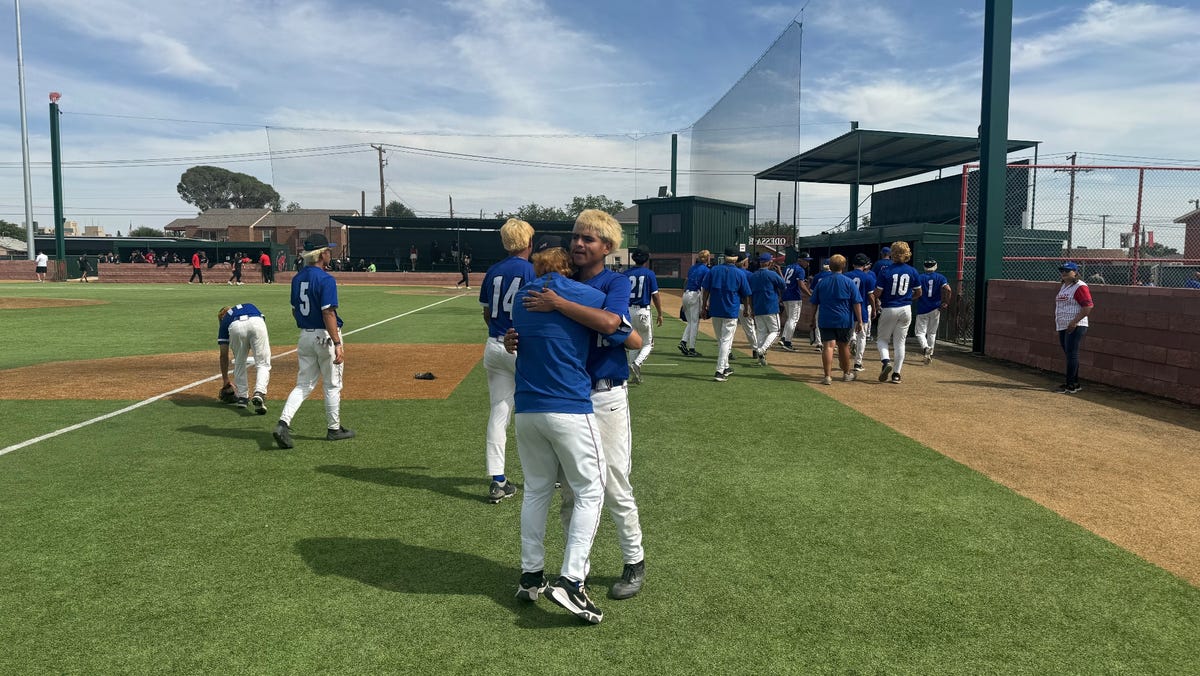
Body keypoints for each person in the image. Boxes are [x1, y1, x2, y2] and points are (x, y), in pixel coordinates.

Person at [509, 208, 648, 603]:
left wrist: (559, 304)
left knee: (614, 482)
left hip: (604, 393)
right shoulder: (561, 283)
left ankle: (633, 560)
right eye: (577, 237)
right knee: (570, 491)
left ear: (608, 246)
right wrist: (516, 340)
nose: (579, 244)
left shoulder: (613, 282)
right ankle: (576, 573)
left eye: (589, 239)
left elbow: (612, 324)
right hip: (568, 397)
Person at [510, 235, 615, 625]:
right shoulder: (581, 292)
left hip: (527, 409)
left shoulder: (522, 298)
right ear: (566, 266)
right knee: (590, 491)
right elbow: (610, 320)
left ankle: (531, 574)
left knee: (537, 491)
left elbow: (519, 333)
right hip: (568, 406)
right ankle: (572, 581)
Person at [272, 233, 355, 449]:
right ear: (321, 254)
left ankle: (283, 423)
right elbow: (328, 312)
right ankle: (333, 429)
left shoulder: (297, 278)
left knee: (303, 385)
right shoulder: (326, 279)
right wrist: (337, 343)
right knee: (332, 384)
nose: (330, 254)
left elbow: (294, 310)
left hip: (305, 336)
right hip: (325, 336)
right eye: (328, 251)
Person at [479, 218, 536, 503]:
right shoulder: (532, 270)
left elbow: (487, 313)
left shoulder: (494, 270)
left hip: (494, 345)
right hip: (522, 347)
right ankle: (548, 474)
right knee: (539, 410)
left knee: (499, 413)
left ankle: (498, 480)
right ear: (528, 242)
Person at [809, 254, 864, 385]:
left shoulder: (822, 283)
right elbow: (856, 303)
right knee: (844, 346)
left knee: (828, 346)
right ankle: (846, 373)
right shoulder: (849, 282)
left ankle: (827, 376)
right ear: (843, 266)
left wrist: (812, 319)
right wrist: (860, 321)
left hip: (826, 318)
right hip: (844, 319)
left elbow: (814, 303)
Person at [872, 242, 921, 384]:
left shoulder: (886, 270)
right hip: (906, 308)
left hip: (889, 307)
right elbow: (919, 292)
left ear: (892, 253)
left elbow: (878, 292)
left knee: (882, 339)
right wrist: (907, 298)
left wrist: (876, 297)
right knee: (900, 342)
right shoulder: (912, 271)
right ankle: (896, 374)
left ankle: (886, 362)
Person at [702, 246, 752, 382]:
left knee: (721, 340)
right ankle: (719, 371)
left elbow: (705, 289)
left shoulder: (714, 270)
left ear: (724, 257)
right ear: (736, 259)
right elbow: (746, 294)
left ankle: (726, 367)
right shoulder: (740, 273)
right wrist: (747, 309)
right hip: (730, 310)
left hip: (716, 309)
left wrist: (703, 306)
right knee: (725, 341)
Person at [217, 303, 271, 414]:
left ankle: (242, 397)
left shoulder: (225, 321)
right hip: (257, 322)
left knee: (239, 362)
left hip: (236, 327)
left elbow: (223, 355)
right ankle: (259, 392)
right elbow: (261, 320)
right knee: (262, 363)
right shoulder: (249, 306)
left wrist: (225, 380)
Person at [1054, 262, 1093, 394]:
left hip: (1075, 324)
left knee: (1072, 354)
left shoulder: (1079, 286)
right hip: (1063, 324)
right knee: (1069, 354)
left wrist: (1074, 322)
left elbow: (1087, 307)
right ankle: (1075, 383)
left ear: (1075, 272)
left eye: (1067, 270)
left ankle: (1070, 384)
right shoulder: (1065, 286)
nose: (1064, 272)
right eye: (1062, 270)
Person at [625, 246, 662, 384]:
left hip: (628, 310)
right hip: (643, 310)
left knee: (634, 342)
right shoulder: (649, 273)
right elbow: (655, 296)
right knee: (648, 344)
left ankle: (634, 372)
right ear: (646, 259)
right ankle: (637, 363)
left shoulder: (626, 273)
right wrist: (660, 313)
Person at [749, 252, 786, 366]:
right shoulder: (772, 274)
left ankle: (761, 359)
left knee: (761, 332)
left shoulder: (753, 275)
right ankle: (762, 350)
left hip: (757, 306)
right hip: (770, 307)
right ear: (769, 262)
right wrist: (779, 271)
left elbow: (749, 294)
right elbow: (783, 285)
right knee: (775, 331)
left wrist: (752, 308)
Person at [843, 253, 878, 372]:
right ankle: (858, 363)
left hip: (847, 310)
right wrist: (874, 309)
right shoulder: (868, 277)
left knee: (847, 336)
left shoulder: (846, 276)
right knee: (862, 337)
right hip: (861, 310)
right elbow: (871, 296)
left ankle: (845, 361)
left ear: (853, 264)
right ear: (865, 265)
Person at [915, 259, 952, 364]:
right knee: (932, 332)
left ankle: (926, 348)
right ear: (935, 266)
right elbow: (948, 289)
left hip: (922, 308)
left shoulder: (920, 277)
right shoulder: (940, 277)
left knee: (920, 333)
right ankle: (929, 354)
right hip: (936, 308)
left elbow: (915, 291)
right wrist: (946, 302)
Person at [679, 250, 711, 357]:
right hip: (695, 295)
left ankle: (683, 342)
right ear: (707, 258)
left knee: (690, 322)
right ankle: (692, 348)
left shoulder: (692, 267)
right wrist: (704, 304)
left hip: (686, 294)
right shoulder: (706, 270)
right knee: (695, 323)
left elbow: (686, 282)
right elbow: (703, 288)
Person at [778, 253, 809, 351]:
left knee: (790, 318)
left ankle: (783, 338)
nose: (807, 263)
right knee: (793, 319)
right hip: (794, 296)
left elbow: (782, 280)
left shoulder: (788, 267)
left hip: (786, 294)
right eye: (806, 260)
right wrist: (810, 295)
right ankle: (787, 342)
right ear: (800, 260)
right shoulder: (800, 269)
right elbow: (801, 285)